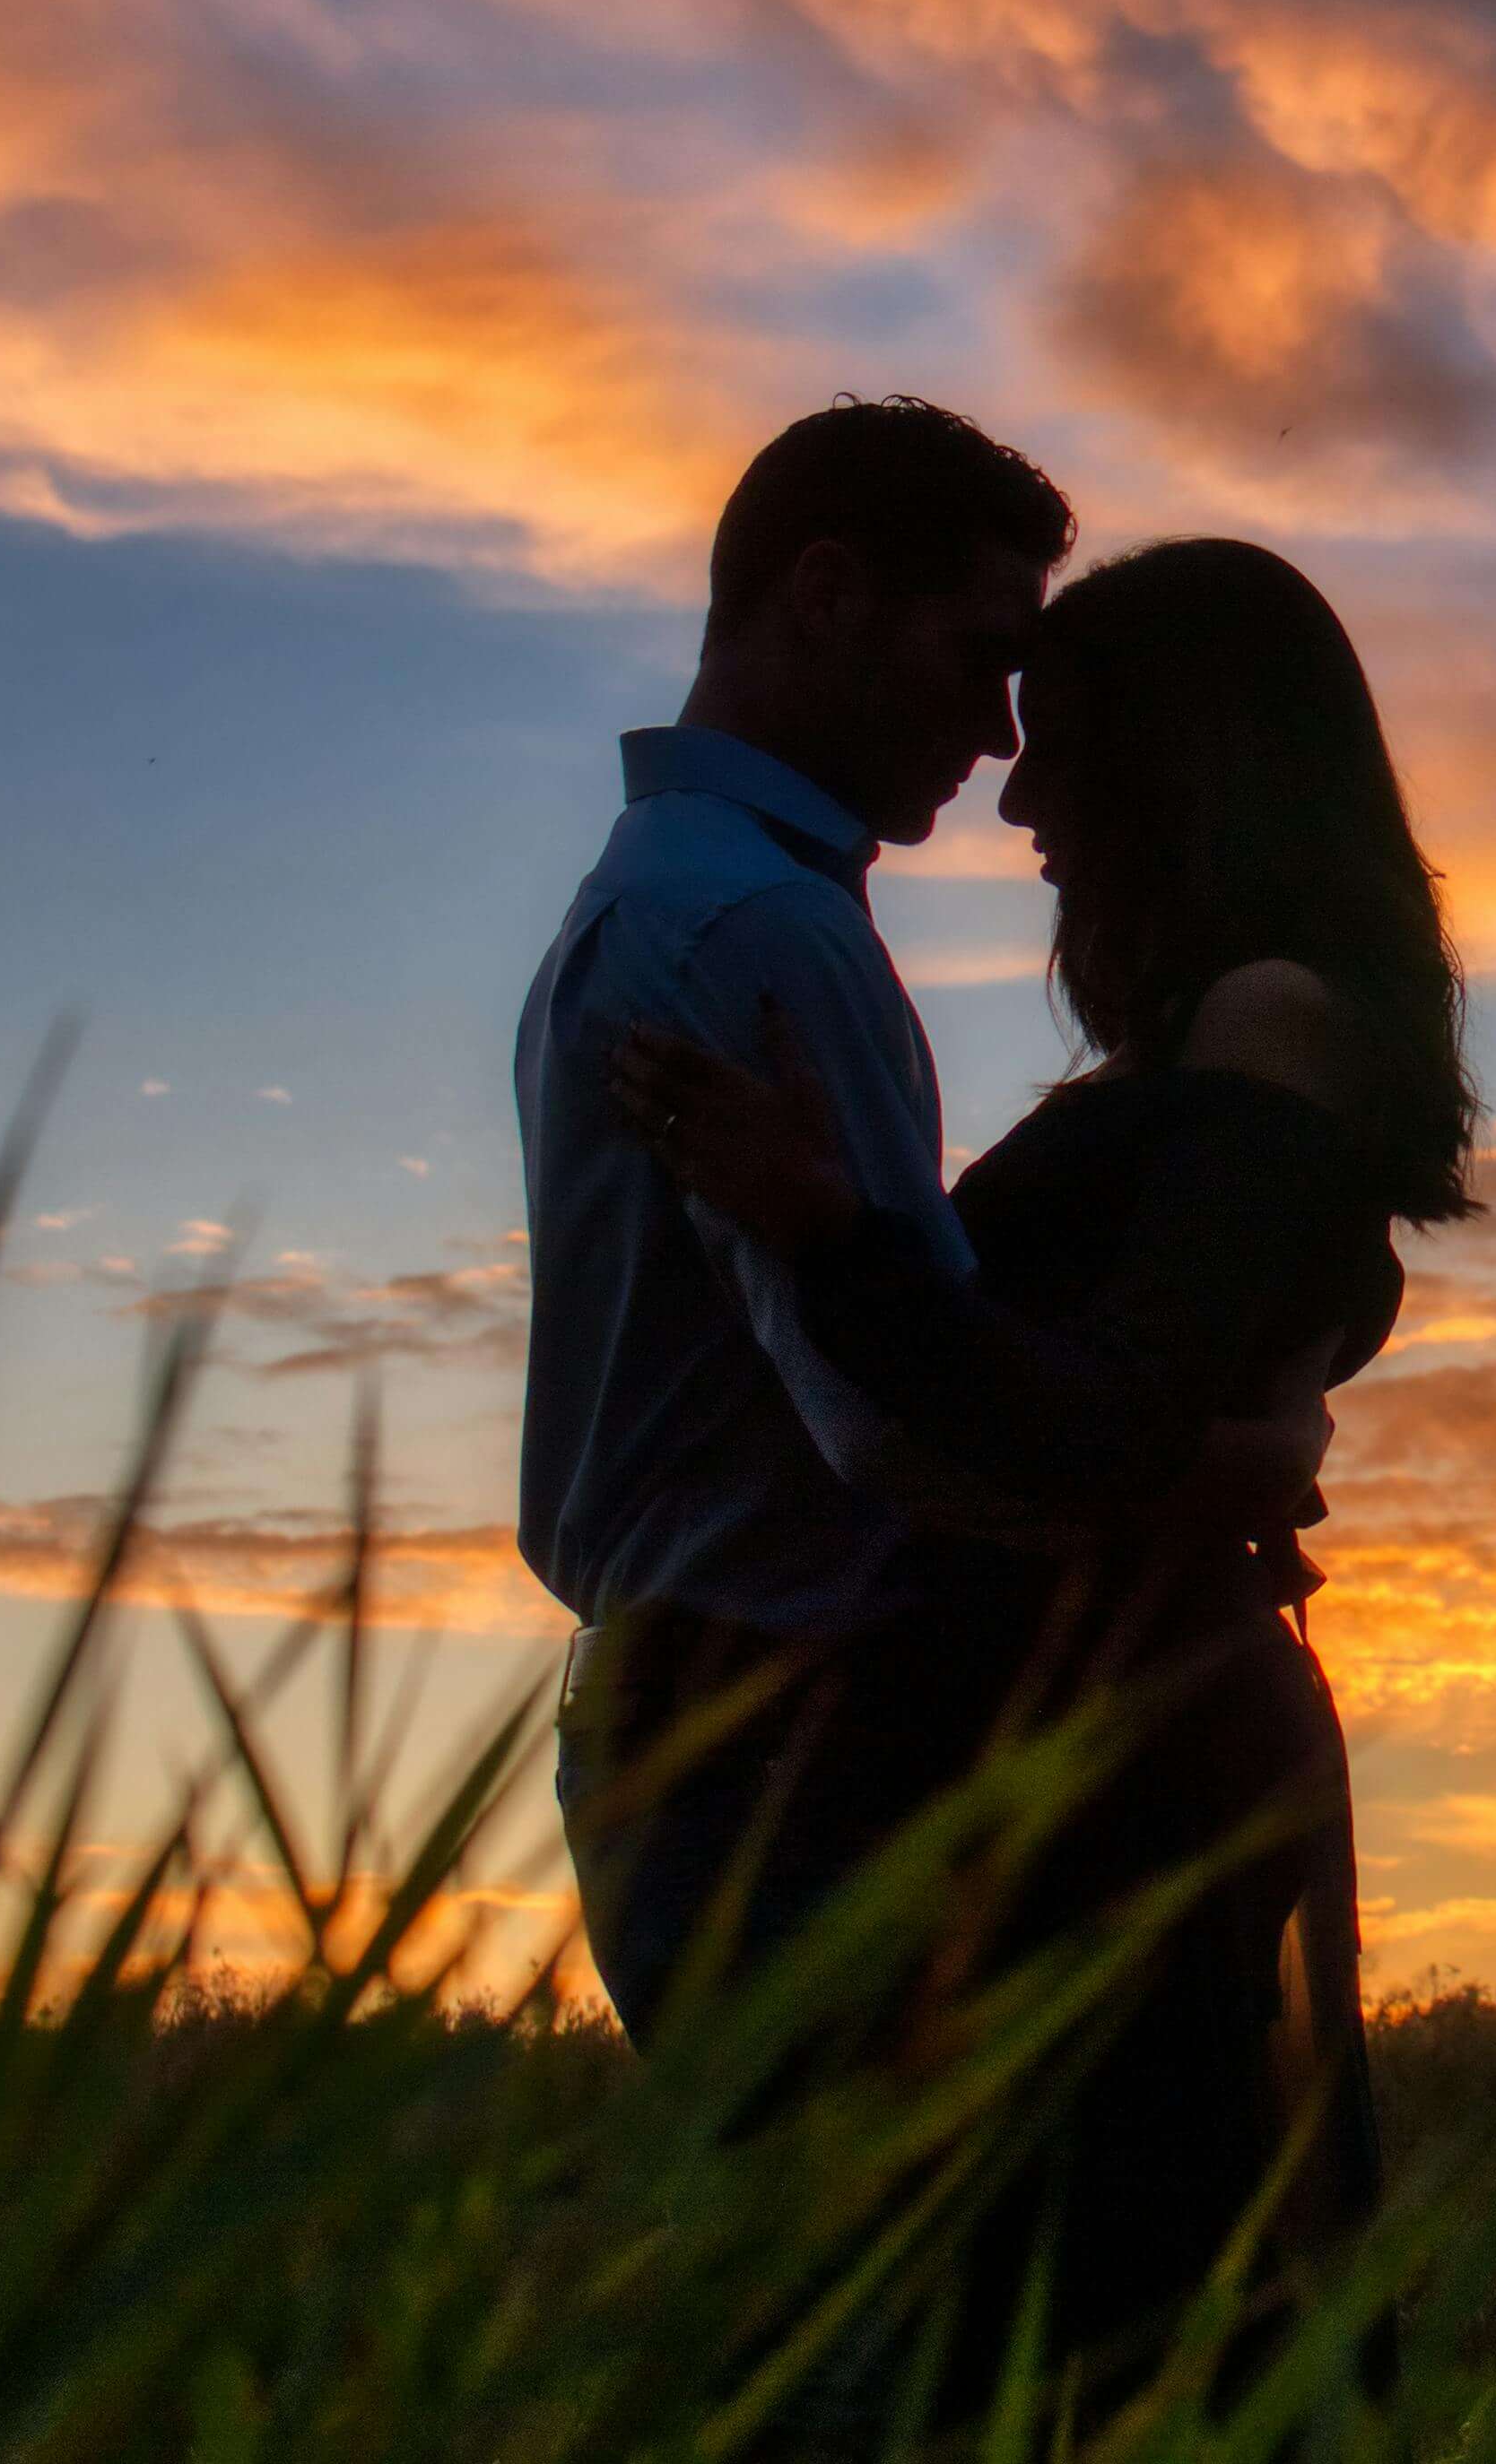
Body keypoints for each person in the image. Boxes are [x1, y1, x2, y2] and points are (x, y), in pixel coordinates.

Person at [608, 535, 1477, 2406]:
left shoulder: (1275, 1019)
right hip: (1071, 1730)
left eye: (1063, 739)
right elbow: (1158, 1393)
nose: (1015, 787)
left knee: (1119, 2298)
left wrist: (826, 1223)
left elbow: (1098, 1411)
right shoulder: (1208, 1045)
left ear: (1188, 763)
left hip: (1136, 1750)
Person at [515, 398, 1326, 2047]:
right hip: (773, 1743)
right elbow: (900, 1436)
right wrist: (1234, 1466)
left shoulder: (670, 894)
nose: (1004, 743)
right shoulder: (757, 931)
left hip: (722, 1724)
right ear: (825, 595)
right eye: (978, 660)